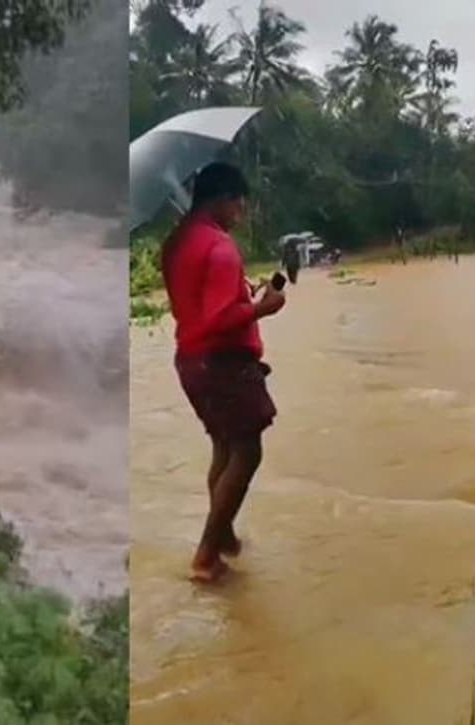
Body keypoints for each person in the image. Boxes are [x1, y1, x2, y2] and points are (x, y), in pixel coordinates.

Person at [161, 162, 287, 582]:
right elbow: (218, 319)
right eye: (238, 203)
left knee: (224, 446)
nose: (241, 211)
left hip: (191, 361)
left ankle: (224, 535)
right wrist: (263, 307)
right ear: (222, 199)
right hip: (222, 362)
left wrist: (241, 293)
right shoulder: (220, 247)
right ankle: (206, 555)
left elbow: (197, 306)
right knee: (247, 451)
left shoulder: (177, 241)